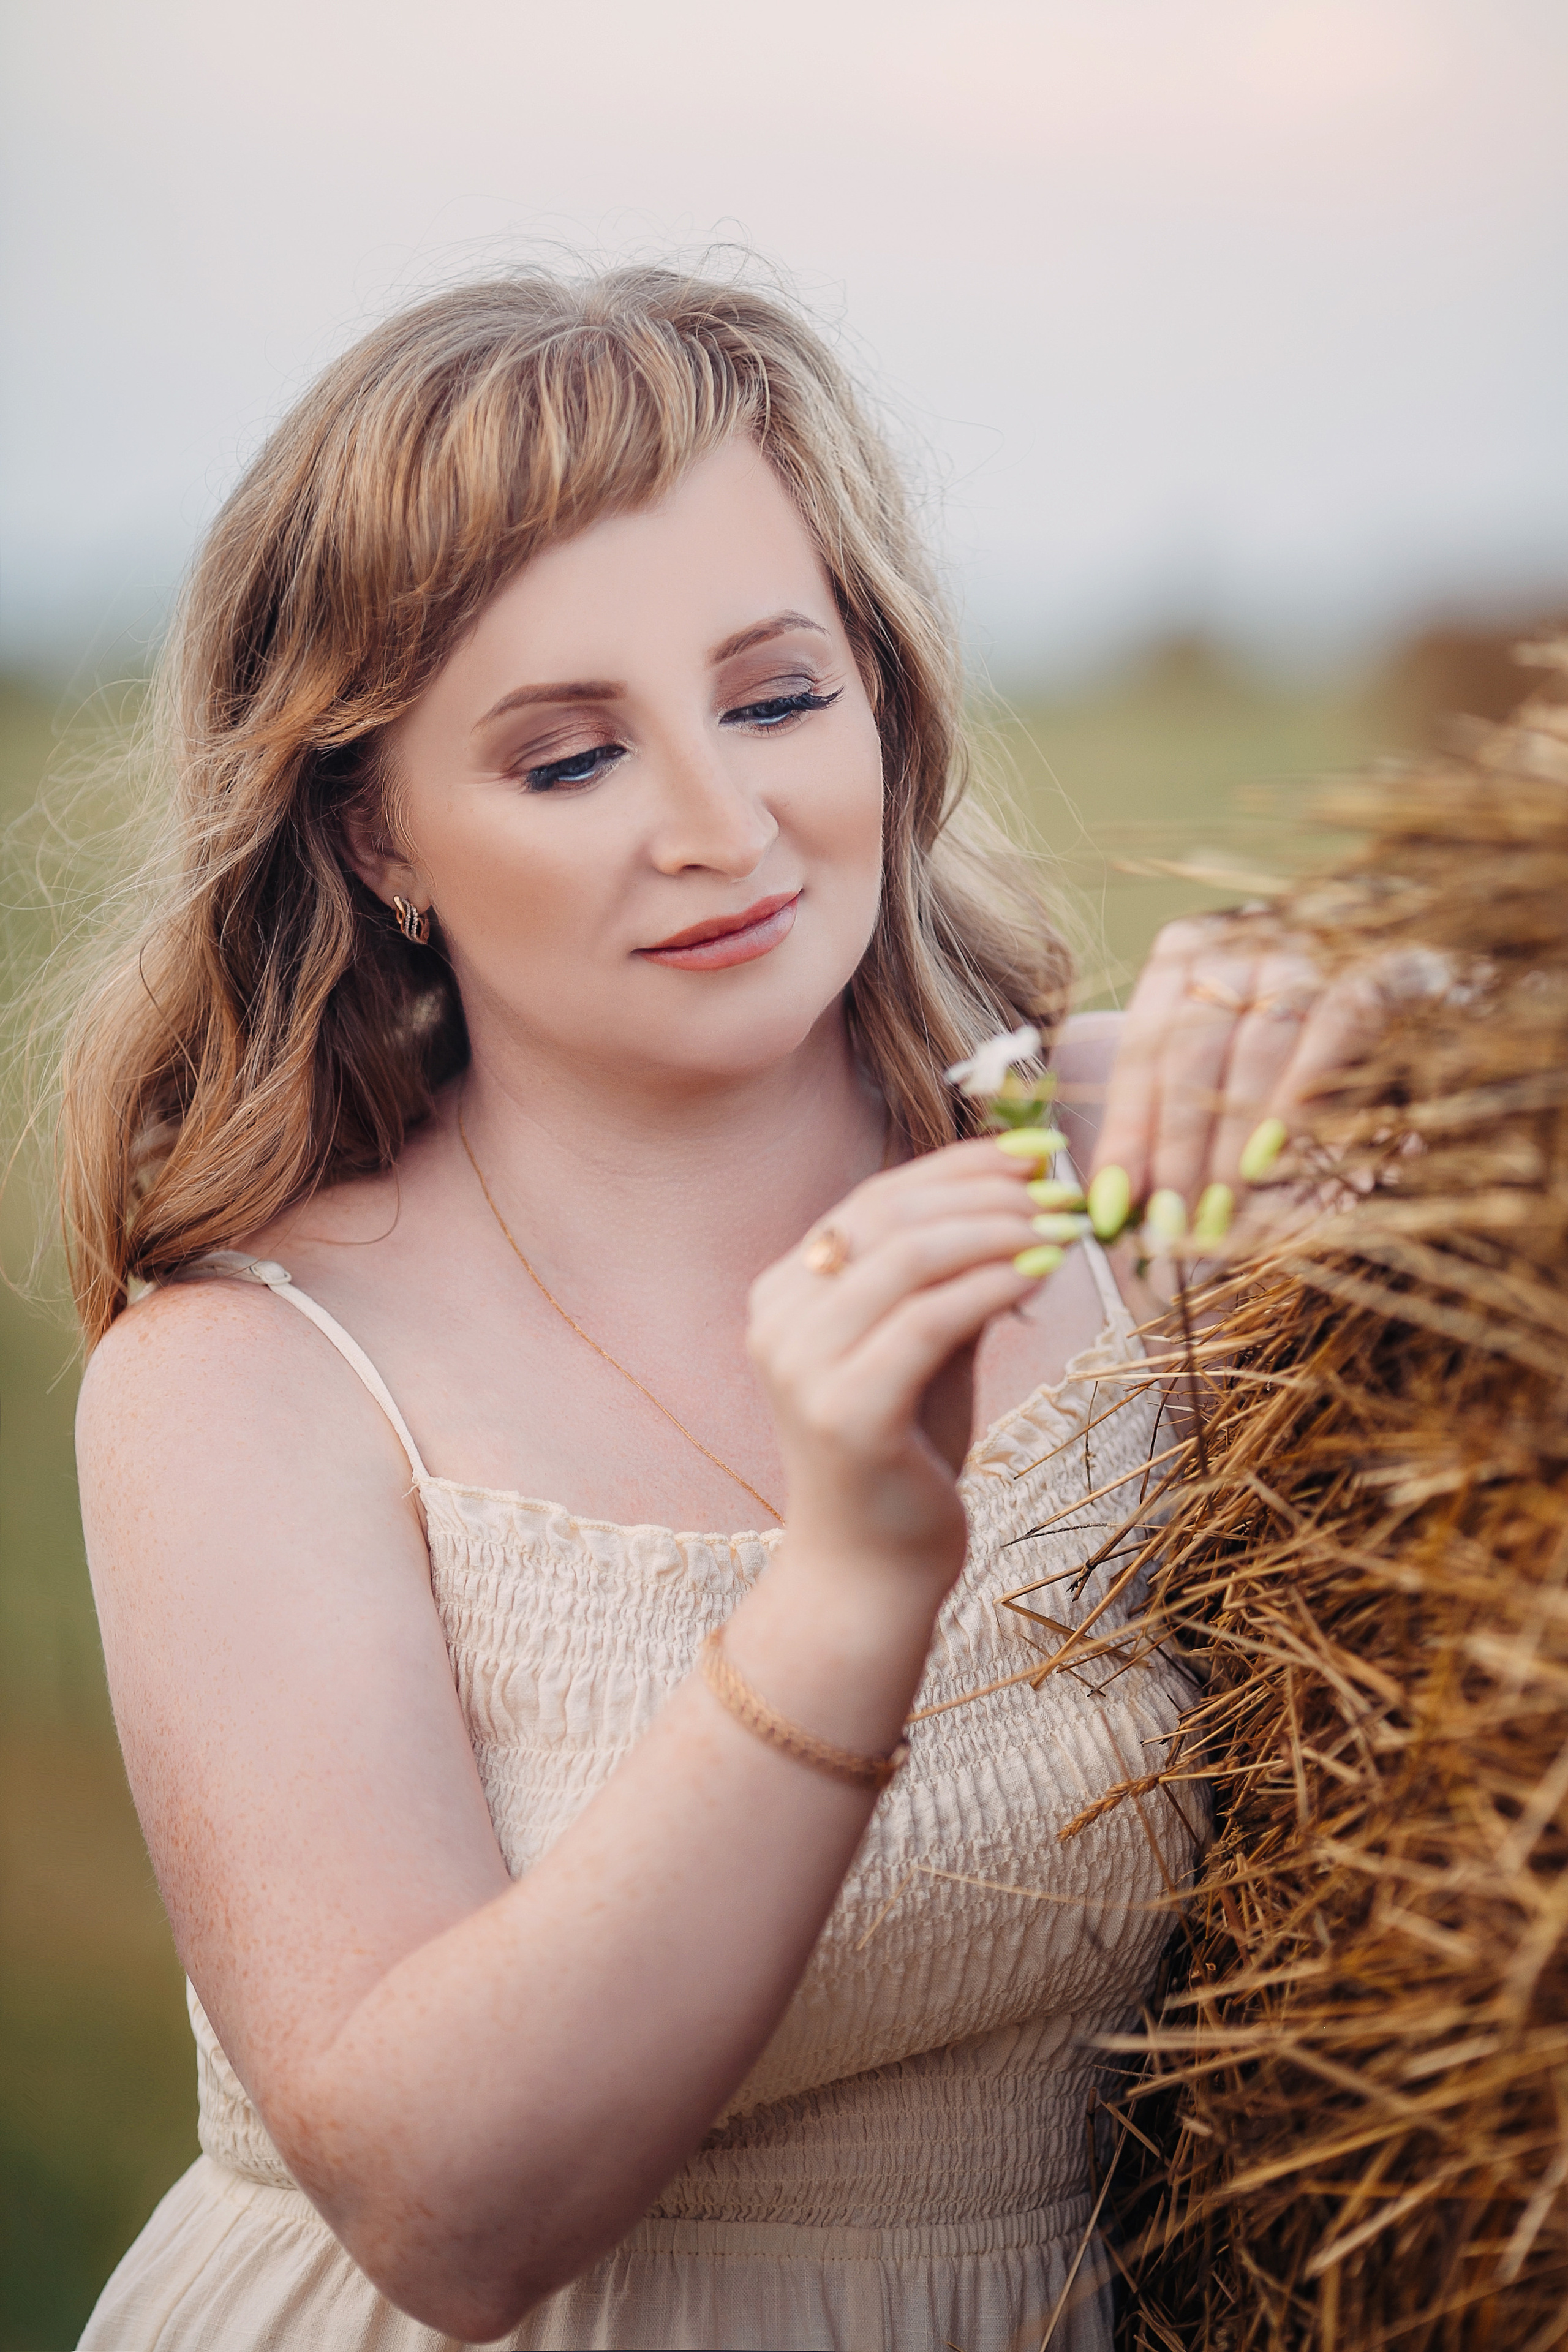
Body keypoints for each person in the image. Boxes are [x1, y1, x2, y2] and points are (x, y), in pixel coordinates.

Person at [64, 266, 1332, 2351]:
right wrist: (847, 1590)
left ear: (885, 691)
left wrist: (1412, 1050)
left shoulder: (1118, 1179)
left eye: (774, 698)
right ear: (378, 832)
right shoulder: (250, 1377)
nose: (724, 827)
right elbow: (448, 2217)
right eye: (570, 761)